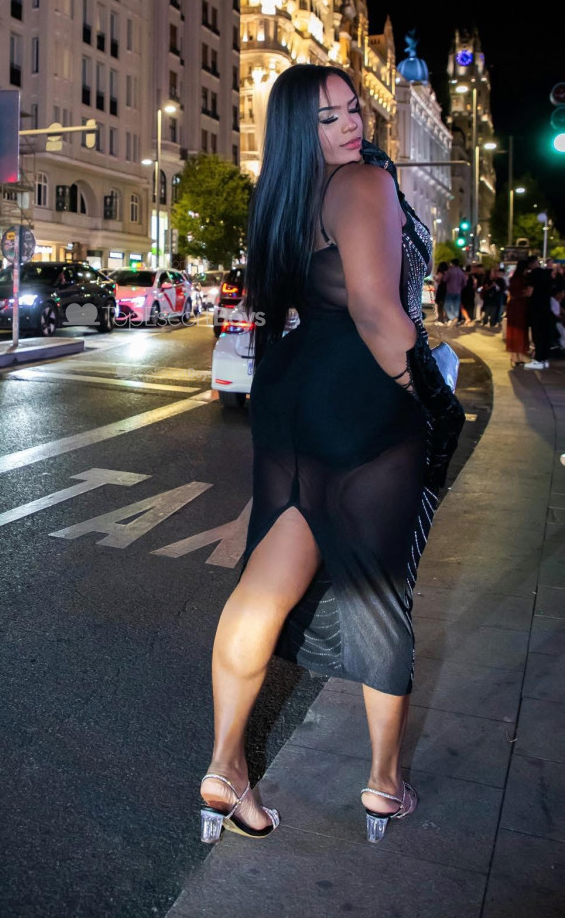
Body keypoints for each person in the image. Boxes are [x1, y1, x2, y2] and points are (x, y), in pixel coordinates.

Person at [199, 65, 464, 849]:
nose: (352, 125)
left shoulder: (279, 197)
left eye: (353, 109)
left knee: (264, 584)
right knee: (378, 587)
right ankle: (383, 782)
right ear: (298, 129)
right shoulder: (363, 185)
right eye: (329, 117)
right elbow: (380, 315)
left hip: (288, 396)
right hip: (361, 398)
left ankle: (225, 768)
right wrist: (434, 401)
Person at [526, 255, 553, 369]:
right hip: (546, 307)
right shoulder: (547, 273)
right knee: (545, 333)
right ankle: (545, 360)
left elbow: (529, 292)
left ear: (530, 264)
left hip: (536, 307)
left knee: (537, 334)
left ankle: (538, 360)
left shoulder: (533, 274)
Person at [505, 260, 532, 366]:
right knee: (520, 331)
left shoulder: (514, 279)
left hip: (514, 306)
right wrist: (525, 293)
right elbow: (522, 293)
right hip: (520, 307)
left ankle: (515, 356)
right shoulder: (522, 279)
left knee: (515, 331)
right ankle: (518, 356)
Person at [443, 259, 467, 325]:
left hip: (450, 290)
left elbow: (444, 279)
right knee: (456, 307)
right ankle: (455, 319)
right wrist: (460, 287)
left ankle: (453, 318)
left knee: (447, 306)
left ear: (452, 264)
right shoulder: (461, 272)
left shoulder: (450, 271)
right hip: (458, 291)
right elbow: (464, 283)